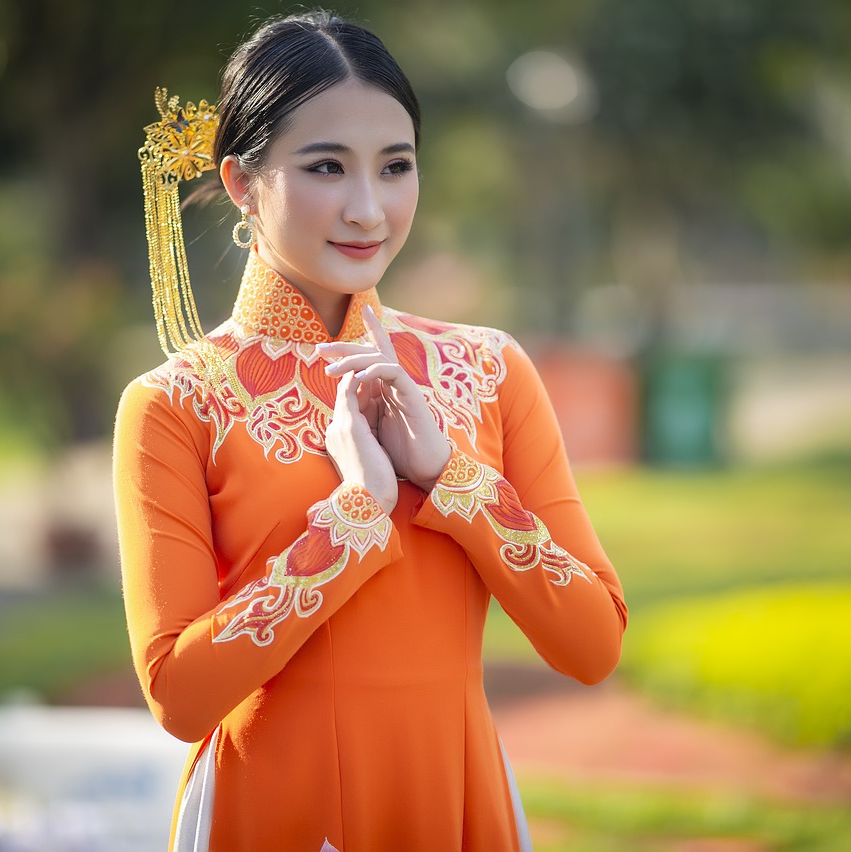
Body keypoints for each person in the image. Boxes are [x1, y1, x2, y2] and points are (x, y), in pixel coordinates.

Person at [114, 10, 627, 851]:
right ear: (242, 183)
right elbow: (179, 695)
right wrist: (355, 517)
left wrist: (452, 481)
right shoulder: (176, 404)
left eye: (396, 167)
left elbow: (593, 644)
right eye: (326, 167)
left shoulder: (489, 371)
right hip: (268, 811)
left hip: (456, 805)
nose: (368, 209)